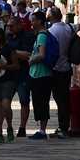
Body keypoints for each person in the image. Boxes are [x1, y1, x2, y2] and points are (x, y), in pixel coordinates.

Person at [5, 14, 35, 137]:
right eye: (8, 26)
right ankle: (7, 126)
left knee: (24, 101)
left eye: (11, 26)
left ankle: (22, 127)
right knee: (5, 101)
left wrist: (13, 53)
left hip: (23, 73)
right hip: (9, 73)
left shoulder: (28, 36)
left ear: (19, 25)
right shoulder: (8, 37)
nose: (9, 28)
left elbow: (29, 54)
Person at [47, 7, 75, 137]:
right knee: (64, 97)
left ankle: (63, 128)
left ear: (51, 17)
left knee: (59, 99)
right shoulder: (69, 28)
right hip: (67, 68)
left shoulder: (50, 31)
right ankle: (63, 126)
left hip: (55, 69)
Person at [26, 11, 54, 139]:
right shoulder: (41, 35)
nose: (31, 23)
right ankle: (41, 129)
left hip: (41, 75)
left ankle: (42, 130)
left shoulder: (42, 35)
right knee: (39, 102)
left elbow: (42, 55)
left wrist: (31, 59)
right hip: (37, 74)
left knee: (42, 102)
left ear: (39, 21)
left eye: (33, 20)